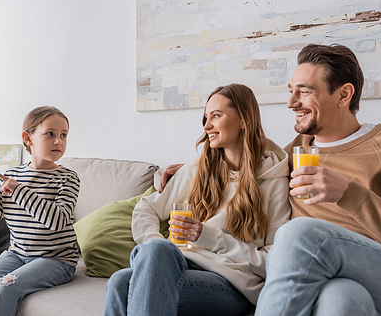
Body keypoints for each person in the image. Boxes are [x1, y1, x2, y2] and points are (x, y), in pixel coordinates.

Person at [161, 44, 381, 315]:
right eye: (291, 91)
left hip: (379, 269)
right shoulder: (291, 152)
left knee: (298, 232)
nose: (291, 102)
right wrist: (198, 167)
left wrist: (348, 193)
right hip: (328, 277)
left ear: (344, 94)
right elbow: (245, 160)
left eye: (304, 92)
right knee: (342, 299)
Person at [103, 84, 291, 316]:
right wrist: (153, 245)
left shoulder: (274, 180)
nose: (206, 125)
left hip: (231, 282)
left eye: (216, 116)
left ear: (244, 119)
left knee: (122, 283)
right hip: (180, 263)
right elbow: (147, 208)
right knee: (129, 272)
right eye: (205, 117)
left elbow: (271, 263)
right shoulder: (198, 169)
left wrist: (209, 237)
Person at [0, 106, 81, 316]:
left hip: (56, 260)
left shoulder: (68, 178)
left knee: (5, 288)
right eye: (50, 134)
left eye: (64, 135)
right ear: (28, 138)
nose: (59, 141)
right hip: (17, 254)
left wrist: (19, 190)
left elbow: (57, 220)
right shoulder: (12, 175)